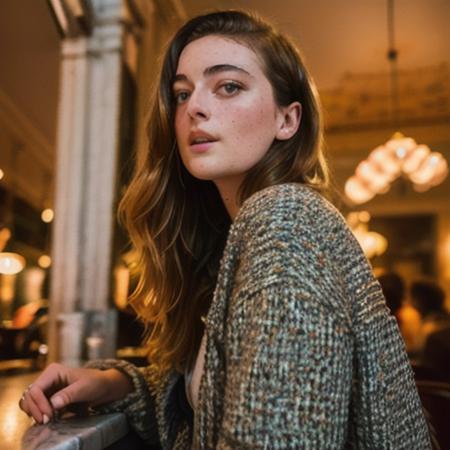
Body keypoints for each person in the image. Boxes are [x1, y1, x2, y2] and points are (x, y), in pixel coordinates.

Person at [19, 10, 431, 449]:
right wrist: (114, 382)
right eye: (181, 93)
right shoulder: (232, 237)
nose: (194, 106)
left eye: (229, 86)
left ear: (287, 121)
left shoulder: (286, 219)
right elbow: (210, 400)